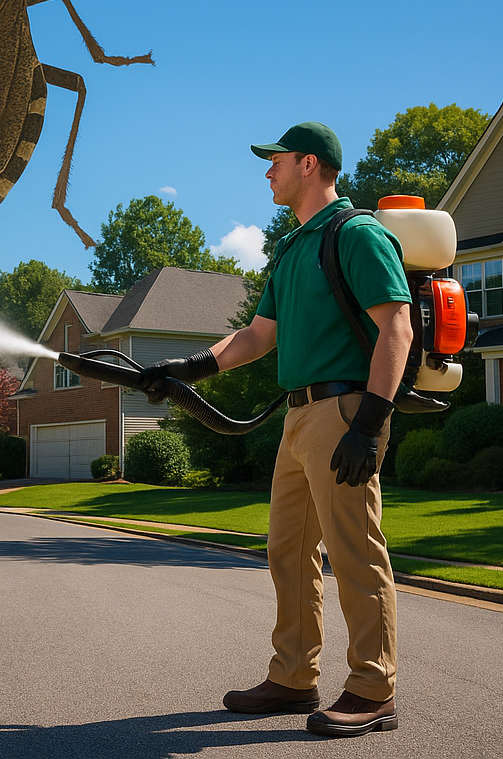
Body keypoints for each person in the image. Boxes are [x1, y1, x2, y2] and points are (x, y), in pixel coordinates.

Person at [138, 121, 412, 737]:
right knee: (288, 552)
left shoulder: (356, 234)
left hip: (345, 412)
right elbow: (258, 336)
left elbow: (397, 326)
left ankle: (374, 690)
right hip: (298, 416)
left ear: (309, 164)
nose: (268, 172)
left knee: (355, 551)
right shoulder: (291, 249)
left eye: (277, 161)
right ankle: (293, 676)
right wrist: (188, 367)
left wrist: (369, 425)